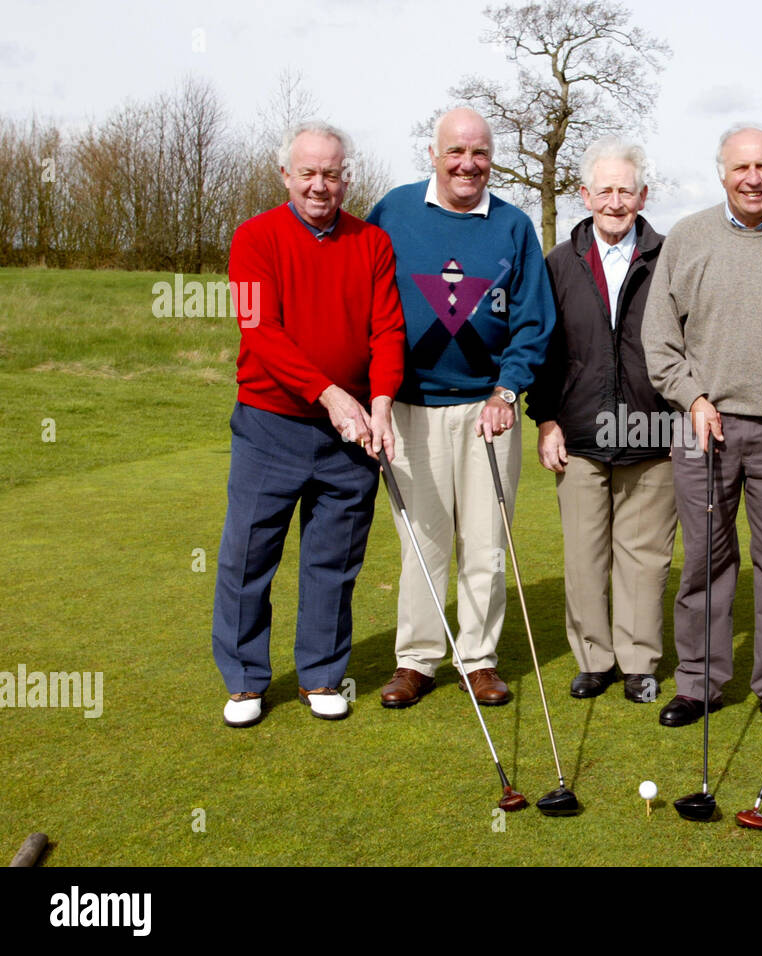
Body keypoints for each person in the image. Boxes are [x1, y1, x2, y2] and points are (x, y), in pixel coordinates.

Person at [213, 121, 406, 727]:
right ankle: (245, 682)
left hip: (352, 432)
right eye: (308, 173)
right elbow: (260, 331)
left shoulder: (372, 242)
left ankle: (321, 674)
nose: (320, 185)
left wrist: (380, 400)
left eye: (332, 173)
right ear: (285, 175)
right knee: (249, 557)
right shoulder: (253, 237)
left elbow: (388, 330)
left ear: (346, 177)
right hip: (270, 424)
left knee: (335, 559)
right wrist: (328, 394)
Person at [642, 124, 762, 733]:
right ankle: (699, 684)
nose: (753, 178)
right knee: (706, 561)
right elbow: (659, 338)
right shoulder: (688, 237)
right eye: (741, 168)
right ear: (721, 173)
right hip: (705, 427)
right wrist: (692, 397)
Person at [366, 107, 555, 709]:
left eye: (479, 153)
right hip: (410, 409)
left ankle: (478, 659)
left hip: (487, 412)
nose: (467, 164)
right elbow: (363, 299)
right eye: (456, 151)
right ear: (434, 153)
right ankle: (417, 660)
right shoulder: (393, 212)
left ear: (491, 159)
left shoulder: (513, 226)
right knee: (421, 543)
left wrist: (508, 390)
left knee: (485, 541)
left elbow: (533, 322)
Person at [527, 138, 676, 704]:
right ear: (585, 195)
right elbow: (543, 350)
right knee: (585, 558)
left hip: (653, 434)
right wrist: (545, 419)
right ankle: (594, 660)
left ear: (643, 195)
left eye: (626, 191)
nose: (616, 202)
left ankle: (639, 663)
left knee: (644, 560)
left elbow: (688, 343)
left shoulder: (670, 259)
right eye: (605, 190)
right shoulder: (558, 264)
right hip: (580, 434)